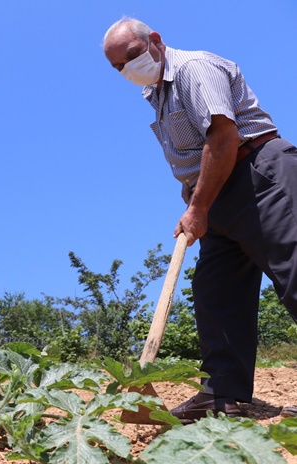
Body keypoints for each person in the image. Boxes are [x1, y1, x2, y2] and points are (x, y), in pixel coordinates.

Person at [103, 17, 297, 422]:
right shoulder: (154, 94)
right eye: (118, 66)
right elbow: (195, 155)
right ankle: (222, 394)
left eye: (132, 56)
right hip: (219, 193)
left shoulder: (193, 68)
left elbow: (223, 138)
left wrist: (199, 207)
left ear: (155, 40)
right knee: (215, 291)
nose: (127, 69)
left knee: (293, 271)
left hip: (257, 173)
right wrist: (193, 195)